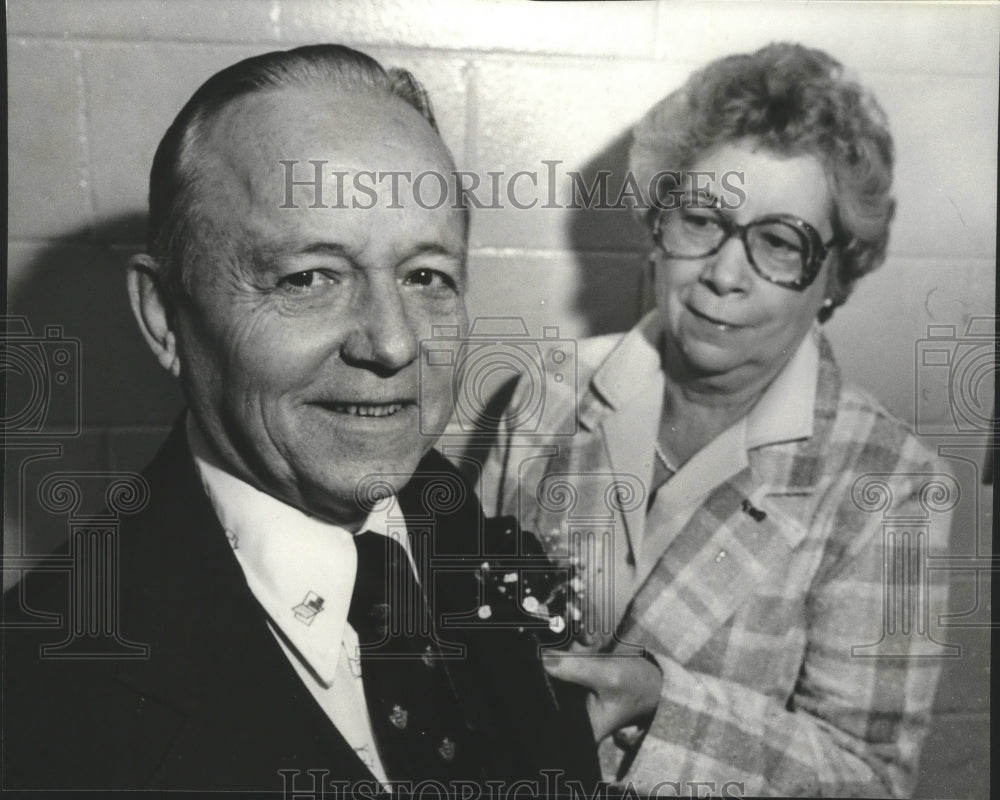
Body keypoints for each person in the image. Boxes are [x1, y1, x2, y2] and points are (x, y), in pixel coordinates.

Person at [2, 45, 598, 794]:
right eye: (308, 277)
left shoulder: (443, 510)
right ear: (165, 317)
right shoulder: (37, 705)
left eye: (426, 276)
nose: (391, 343)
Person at [480, 43, 953, 797]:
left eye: (777, 242)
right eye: (702, 219)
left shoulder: (892, 483)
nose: (723, 276)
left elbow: (869, 779)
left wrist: (667, 705)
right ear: (658, 220)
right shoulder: (550, 389)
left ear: (835, 274)